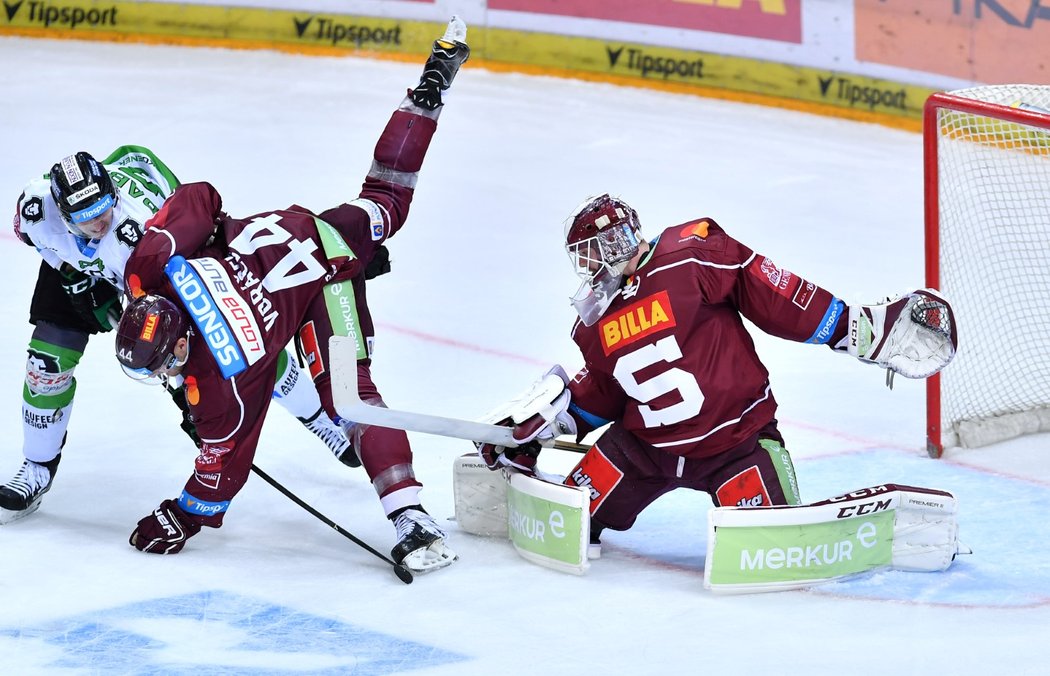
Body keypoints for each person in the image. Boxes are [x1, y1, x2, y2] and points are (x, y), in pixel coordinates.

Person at [111, 17, 470, 573]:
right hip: (312, 230)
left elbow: (224, 466)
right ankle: (428, 92)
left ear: (178, 345)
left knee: (351, 400)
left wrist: (184, 515)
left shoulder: (221, 389)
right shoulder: (150, 270)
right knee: (383, 198)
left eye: (168, 365)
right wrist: (184, 237)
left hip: (327, 281)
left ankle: (412, 517)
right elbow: (201, 196)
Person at [480, 194, 958, 556]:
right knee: (568, 521)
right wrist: (546, 424)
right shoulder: (596, 322)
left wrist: (851, 327)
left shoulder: (690, 253)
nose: (585, 268)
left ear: (612, 242)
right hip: (644, 450)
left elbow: (772, 294)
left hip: (737, 444)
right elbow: (605, 391)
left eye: (588, 254)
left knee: (772, 544)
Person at [0, 147, 355, 525]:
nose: (99, 223)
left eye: (104, 210)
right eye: (86, 220)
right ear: (63, 213)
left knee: (239, 347)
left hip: (156, 267)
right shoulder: (36, 210)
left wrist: (187, 392)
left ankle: (317, 415)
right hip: (89, 272)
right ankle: (38, 465)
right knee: (45, 365)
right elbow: (40, 240)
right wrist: (71, 273)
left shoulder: (135, 234)